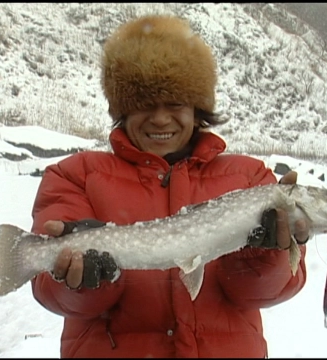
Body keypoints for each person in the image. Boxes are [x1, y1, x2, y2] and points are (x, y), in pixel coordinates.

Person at [30, 14, 310, 358]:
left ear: (197, 109)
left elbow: (265, 292)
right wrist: (87, 281)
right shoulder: (76, 175)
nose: (160, 118)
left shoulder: (251, 178)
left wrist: (266, 255)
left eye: (175, 103)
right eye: (144, 104)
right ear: (122, 110)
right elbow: (51, 291)